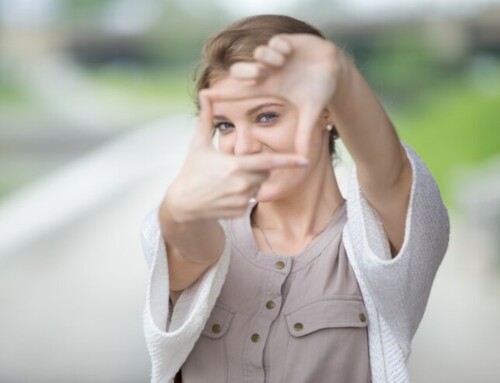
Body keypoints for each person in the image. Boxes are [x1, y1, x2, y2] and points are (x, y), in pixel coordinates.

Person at [141, 14, 450, 383]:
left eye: (267, 116)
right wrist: (177, 210)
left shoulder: (376, 243)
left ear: (326, 112)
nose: (243, 146)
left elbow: (392, 174)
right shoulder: (209, 231)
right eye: (225, 125)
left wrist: (339, 73)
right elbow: (191, 245)